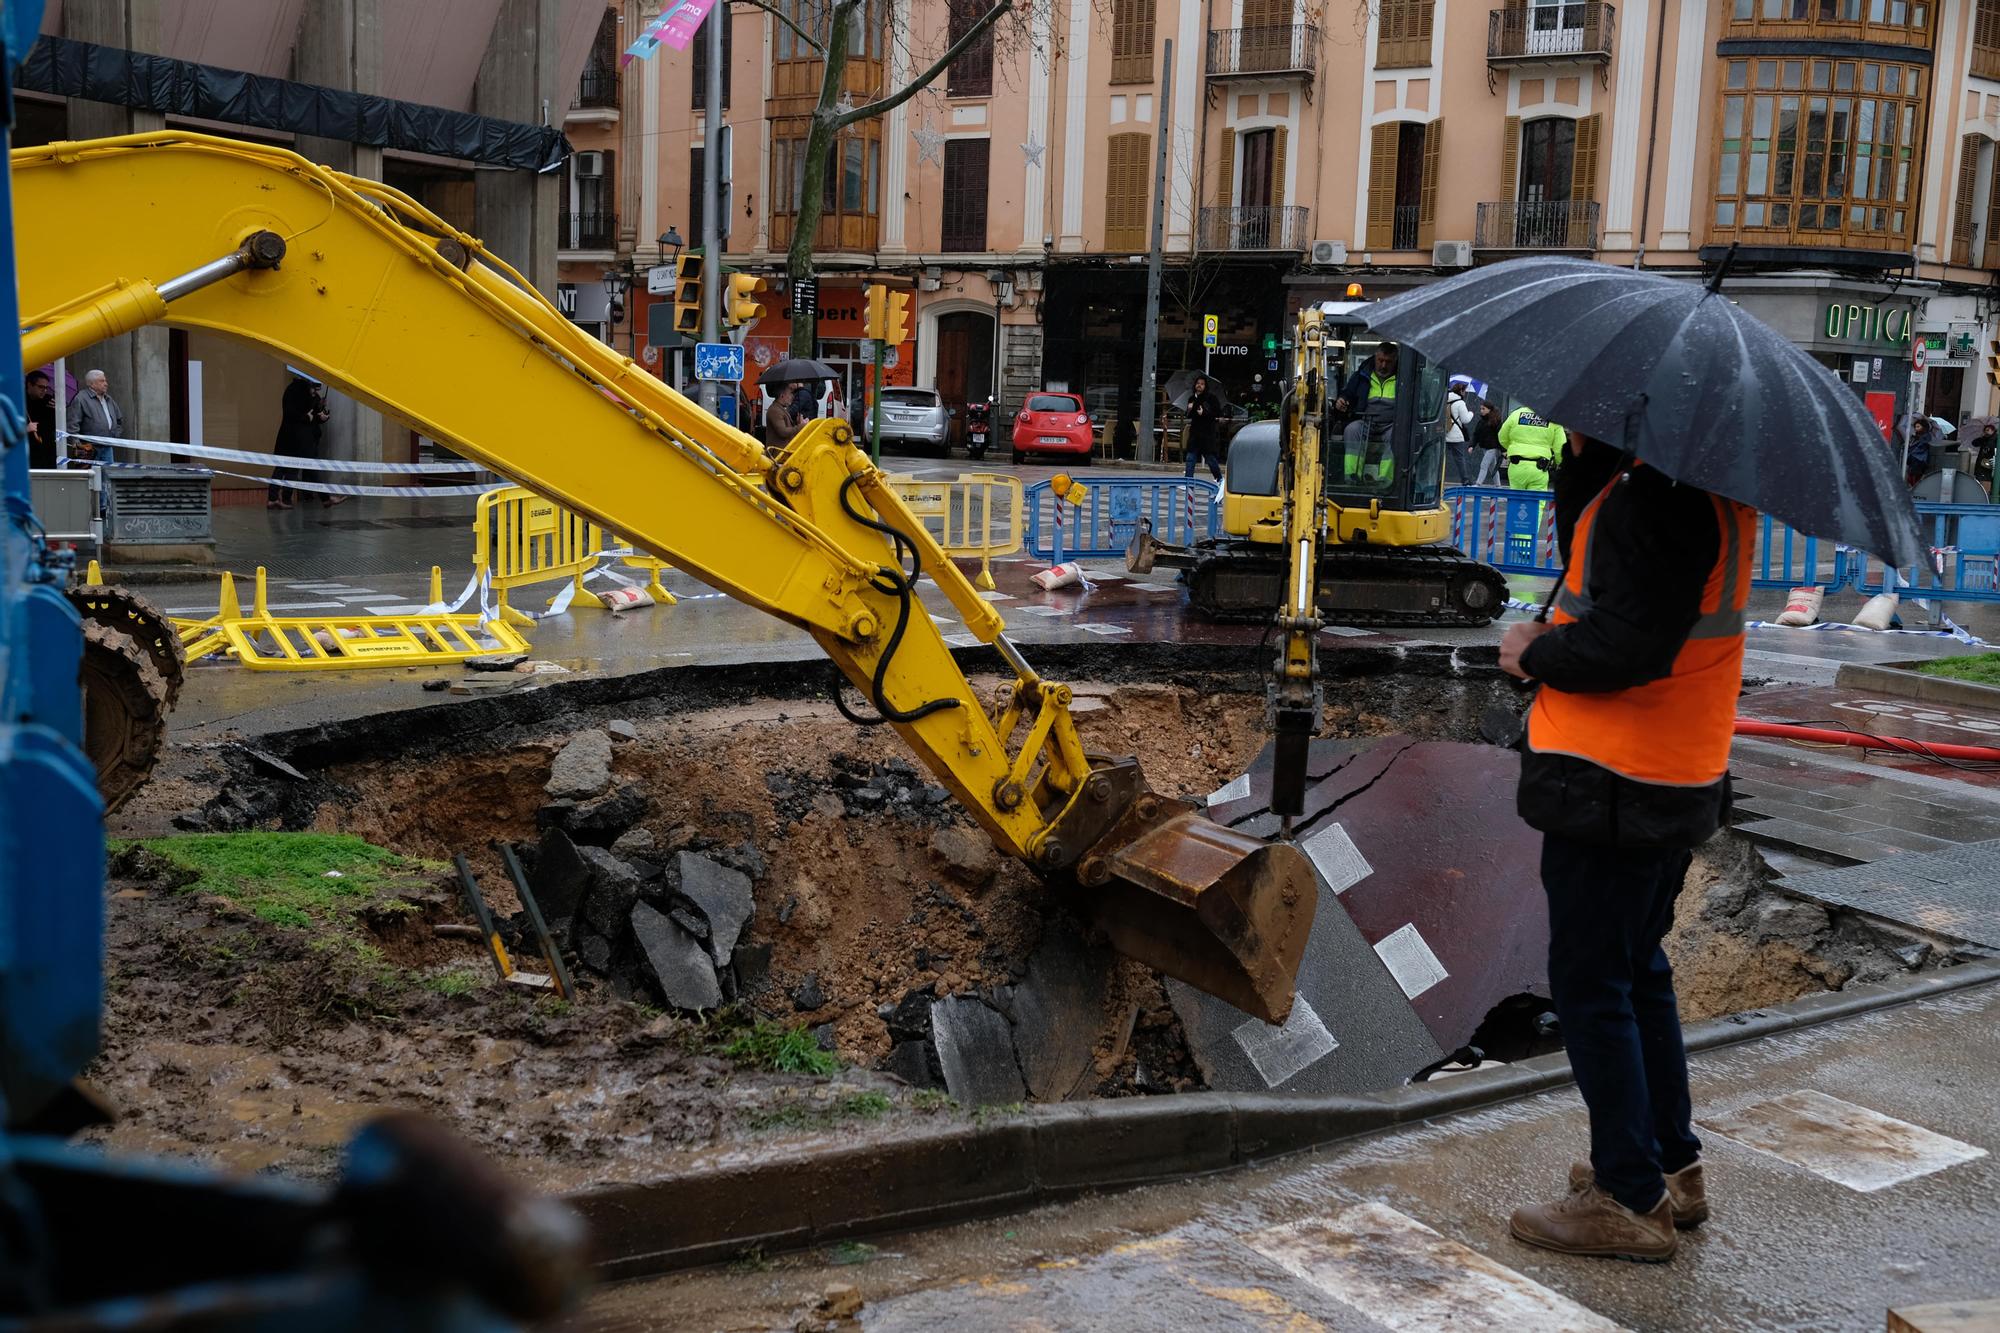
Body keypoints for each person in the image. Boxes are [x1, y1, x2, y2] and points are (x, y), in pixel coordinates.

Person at [1498, 433, 1753, 1264]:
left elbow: (1624, 644)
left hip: (1614, 782)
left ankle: (1630, 1198)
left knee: (1591, 982)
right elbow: (1615, 584)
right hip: (1667, 773)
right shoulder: (1694, 488)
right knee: (1637, 970)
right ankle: (1669, 1168)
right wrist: (1587, 464)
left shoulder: (1658, 501)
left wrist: (1530, 652)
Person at [1333, 343, 1399, 487]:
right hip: (1365, 421)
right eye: (1380, 360)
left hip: (1391, 425)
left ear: (1395, 361)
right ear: (1375, 358)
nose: (1383, 365)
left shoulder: (1402, 379)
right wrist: (1342, 400)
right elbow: (1348, 392)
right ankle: (1352, 477)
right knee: (1352, 430)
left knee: (1397, 435)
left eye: (1388, 362)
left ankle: (1384, 480)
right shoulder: (1362, 375)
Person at [269, 370, 331, 509]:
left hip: (294, 438)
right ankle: (284, 499)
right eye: (314, 388)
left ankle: (274, 499)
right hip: (294, 438)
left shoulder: (306, 394)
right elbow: (296, 413)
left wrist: (321, 412)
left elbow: (315, 414)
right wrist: (309, 416)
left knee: (282, 468)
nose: (315, 391)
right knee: (290, 469)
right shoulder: (297, 392)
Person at [1499, 403, 1566, 491]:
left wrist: (1513, 448)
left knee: (1515, 500)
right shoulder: (1553, 419)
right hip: (1540, 468)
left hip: (1517, 466)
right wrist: (1560, 463)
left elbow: (1502, 437)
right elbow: (1560, 447)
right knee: (1537, 501)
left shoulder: (1516, 414)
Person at [66, 368, 125, 463]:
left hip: (107, 447)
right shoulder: (81, 399)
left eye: (105, 380)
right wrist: (78, 445)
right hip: (89, 449)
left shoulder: (108, 399)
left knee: (107, 476)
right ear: (92, 384)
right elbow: (72, 424)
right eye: (102, 381)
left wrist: (114, 436)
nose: (106, 384)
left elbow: (119, 420)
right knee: (91, 476)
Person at [1183, 375, 1224, 482]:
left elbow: (1217, 413)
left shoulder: (1211, 398)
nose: (1199, 386)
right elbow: (1188, 415)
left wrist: (1204, 413)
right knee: (1190, 458)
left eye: (1202, 384)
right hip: (1195, 434)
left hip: (1206, 434)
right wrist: (1189, 409)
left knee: (1210, 459)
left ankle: (1219, 479)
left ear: (1205, 386)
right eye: (1198, 383)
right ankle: (1188, 481)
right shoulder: (1192, 398)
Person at [1444, 382, 1477, 485]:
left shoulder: (1445, 399)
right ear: (1461, 391)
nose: (1465, 393)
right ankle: (1465, 479)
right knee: (1459, 458)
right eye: (1465, 391)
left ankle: (1436, 477)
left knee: (1441, 457)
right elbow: (1465, 419)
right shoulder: (1460, 403)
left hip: (1443, 434)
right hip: (1455, 435)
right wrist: (1471, 413)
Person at [24, 369, 57, 469]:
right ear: (30, 385)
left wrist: (58, 411)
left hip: (47, 452)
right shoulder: (19, 401)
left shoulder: (49, 401)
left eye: (46, 387)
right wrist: (26, 429)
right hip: (28, 453)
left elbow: (54, 426)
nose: (44, 390)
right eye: (41, 387)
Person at [1471, 397, 1506, 487]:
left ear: (1489, 410)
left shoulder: (1495, 421)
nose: (1481, 411)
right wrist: (1472, 445)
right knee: (1492, 467)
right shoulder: (1481, 422)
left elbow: (1500, 436)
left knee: (1484, 464)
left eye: (1483, 409)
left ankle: (1478, 483)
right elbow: (1476, 435)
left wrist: (1503, 450)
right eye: (1481, 409)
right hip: (1484, 447)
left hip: (1492, 448)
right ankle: (1498, 485)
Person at [765, 381, 805, 448]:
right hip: (778, 454)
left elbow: (787, 427)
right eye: (790, 394)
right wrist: (800, 427)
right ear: (782, 395)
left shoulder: (780, 408)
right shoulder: (775, 410)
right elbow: (783, 432)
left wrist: (797, 422)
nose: (792, 397)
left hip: (784, 451)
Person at [1905, 416, 1935, 489]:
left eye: (1918, 426)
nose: (1916, 428)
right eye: (1915, 427)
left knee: (1915, 478)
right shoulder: (1915, 436)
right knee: (1910, 477)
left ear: (1923, 427)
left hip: (1919, 460)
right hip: (1913, 460)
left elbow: (1921, 446)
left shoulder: (1926, 436)